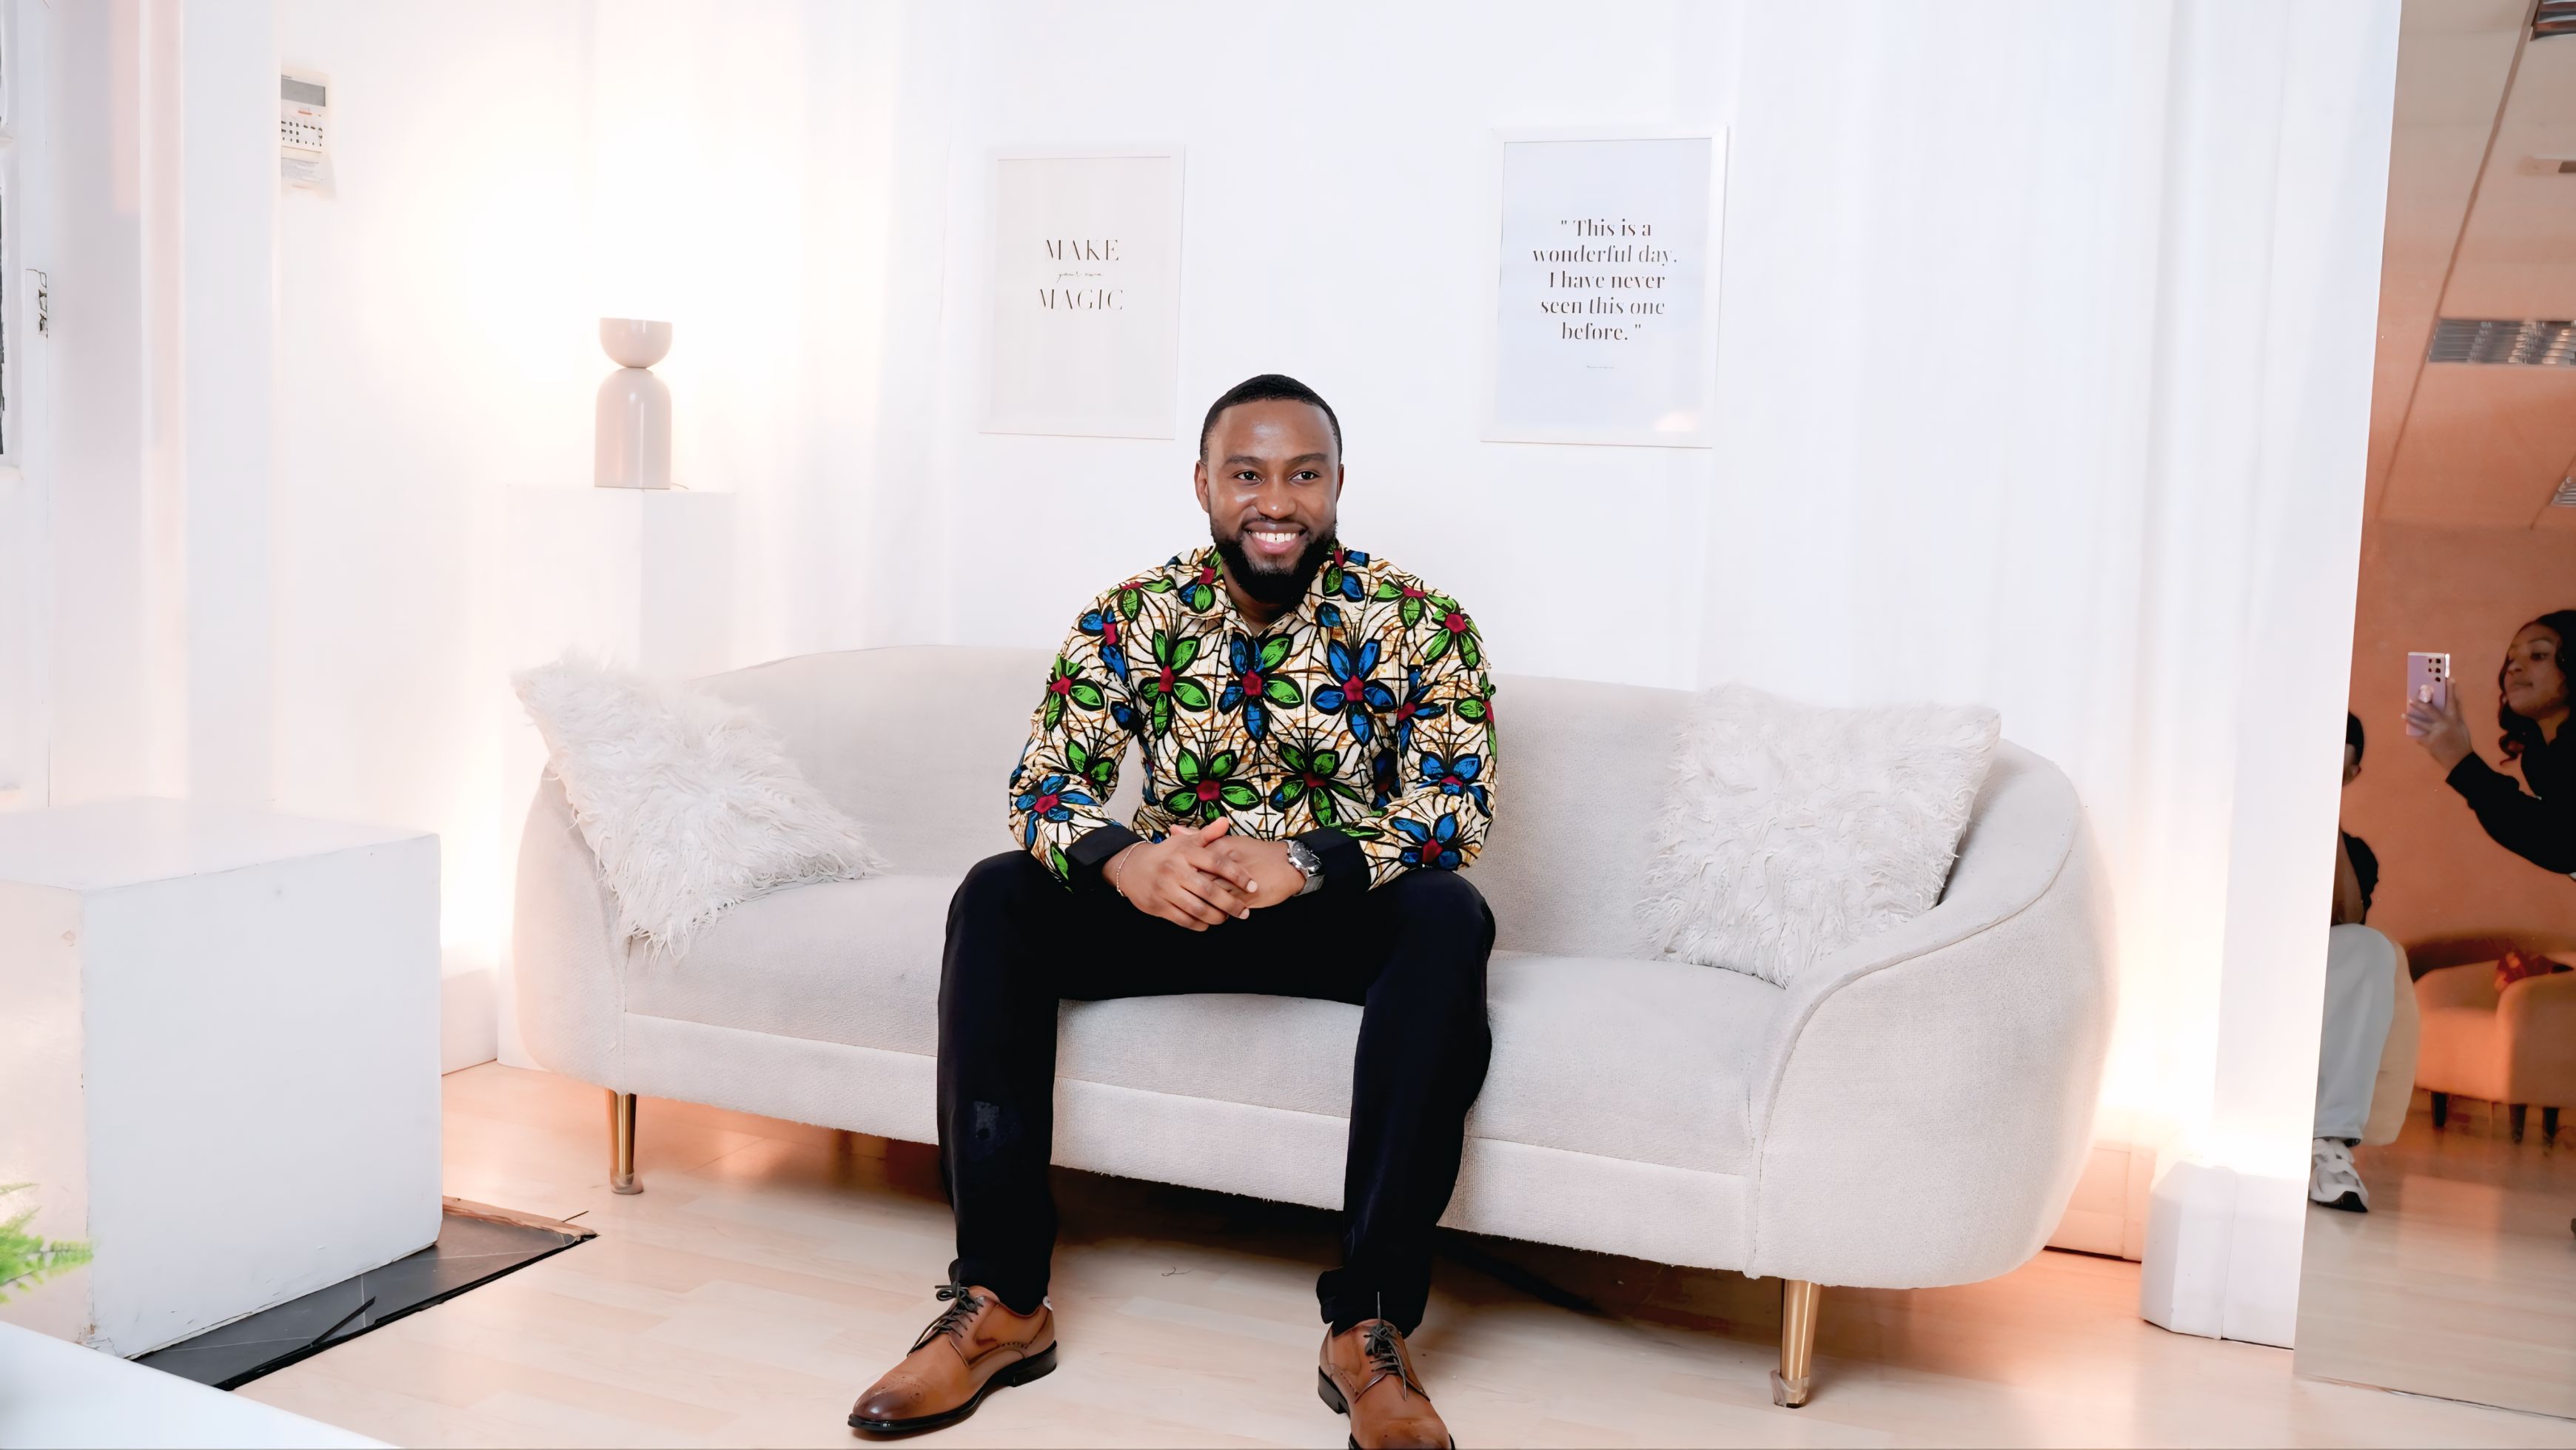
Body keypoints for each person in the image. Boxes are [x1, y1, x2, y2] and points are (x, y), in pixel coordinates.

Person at [848, 375, 1500, 1447]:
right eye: (1248, 474)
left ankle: (1369, 1327)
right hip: (1170, 902)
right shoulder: (1133, 614)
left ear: (1338, 484)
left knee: (1448, 917)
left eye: (1303, 473)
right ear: (1204, 484)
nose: (1275, 500)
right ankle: (1001, 1301)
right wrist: (1120, 860)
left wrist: (1309, 859)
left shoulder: (1420, 622)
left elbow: (1457, 804)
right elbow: (1044, 785)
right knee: (999, 892)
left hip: (1323, 908)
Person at [2404, 611, 2576, 875]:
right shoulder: (2539, 754)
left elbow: (2561, 846)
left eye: (2538, 655)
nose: (2513, 668)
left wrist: (2461, 761)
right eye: (2511, 659)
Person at [2313, 712, 2397, 1212]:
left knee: (2370, 948)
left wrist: (2326, 807)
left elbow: (2345, 918)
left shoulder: (2356, 853)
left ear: (2352, 772)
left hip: (2307, 984)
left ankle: (2330, 1145)